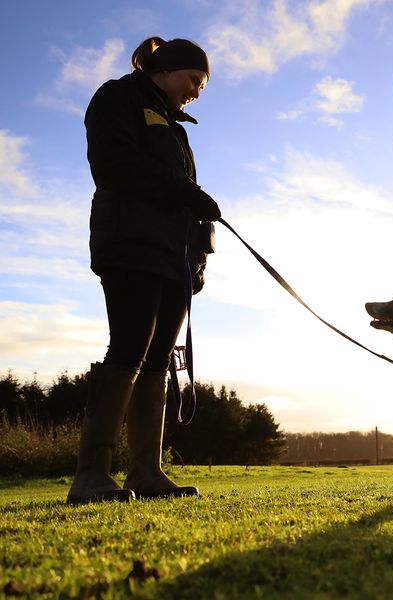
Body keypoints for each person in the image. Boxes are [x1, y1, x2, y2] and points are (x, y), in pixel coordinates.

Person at [67, 37, 221, 504]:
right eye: (193, 80)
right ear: (167, 69)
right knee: (129, 349)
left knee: (158, 360)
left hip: (172, 259)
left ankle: (146, 473)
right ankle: (91, 476)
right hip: (129, 245)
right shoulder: (117, 97)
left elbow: (182, 199)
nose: (195, 91)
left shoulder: (176, 129)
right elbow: (114, 165)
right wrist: (185, 191)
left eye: (201, 86)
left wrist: (197, 254)